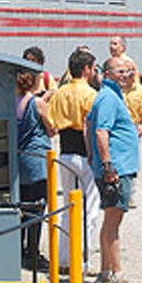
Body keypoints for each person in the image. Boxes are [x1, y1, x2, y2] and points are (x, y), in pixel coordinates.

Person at [86, 57, 141, 283]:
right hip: (117, 168)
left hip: (117, 166)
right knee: (113, 221)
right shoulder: (109, 98)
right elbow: (100, 132)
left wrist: (93, 158)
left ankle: (105, 270)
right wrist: (107, 165)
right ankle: (117, 272)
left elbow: (88, 125)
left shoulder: (110, 96)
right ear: (107, 74)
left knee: (110, 218)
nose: (128, 75)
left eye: (130, 71)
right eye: (122, 71)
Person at [47, 49, 100, 269]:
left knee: (68, 207)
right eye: (93, 67)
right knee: (89, 208)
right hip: (83, 153)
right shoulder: (90, 94)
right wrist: (92, 154)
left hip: (64, 152)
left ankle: (64, 258)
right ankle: (83, 257)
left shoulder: (59, 93)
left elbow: (51, 126)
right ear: (86, 69)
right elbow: (91, 128)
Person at [17, 68, 56, 270]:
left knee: (21, 206)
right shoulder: (37, 103)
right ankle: (33, 252)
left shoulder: (12, 102)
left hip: (19, 159)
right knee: (38, 207)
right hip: (38, 158)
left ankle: (19, 249)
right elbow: (51, 129)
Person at [120, 59, 142, 137]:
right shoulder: (117, 90)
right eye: (129, 70)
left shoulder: (140, 90)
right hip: (120, 127)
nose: (132, 73)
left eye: (133, 70)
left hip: (134, 126)